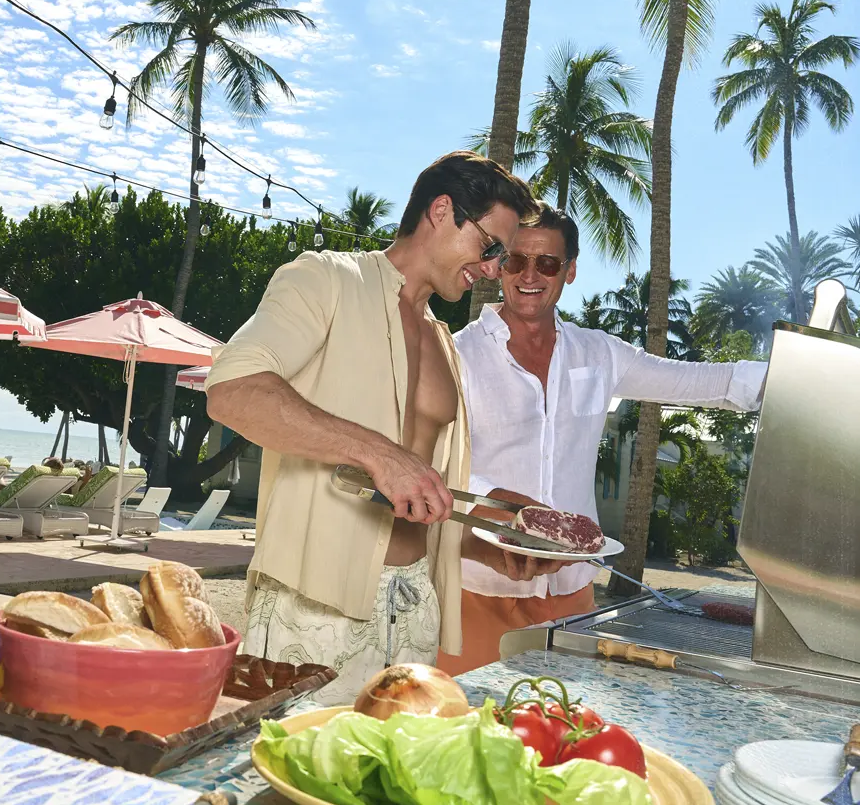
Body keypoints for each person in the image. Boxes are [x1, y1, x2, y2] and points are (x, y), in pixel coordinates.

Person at [205, 151, 538, 703]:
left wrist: (486, 544)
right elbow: (232, 391)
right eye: (491, 247)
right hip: (312, 607)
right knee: (277, 777)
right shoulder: (325, 279)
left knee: (388, 782)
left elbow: (411, 498)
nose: (494, 269)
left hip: (415, 608)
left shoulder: (443, 345)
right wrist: (378, 454)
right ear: (440, 210)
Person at [437, 203, 768, 676]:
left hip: (572, 594)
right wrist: (497, 503)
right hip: (479, 584)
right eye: (516, 259)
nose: (530, 274)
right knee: (465, 732)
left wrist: (794, 378)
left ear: (569, 271)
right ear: (499, 265)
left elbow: (697, 381)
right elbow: (437, 457)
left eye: (547, 263)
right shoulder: (458, 352)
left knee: (564, 736)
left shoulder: (599, 353)